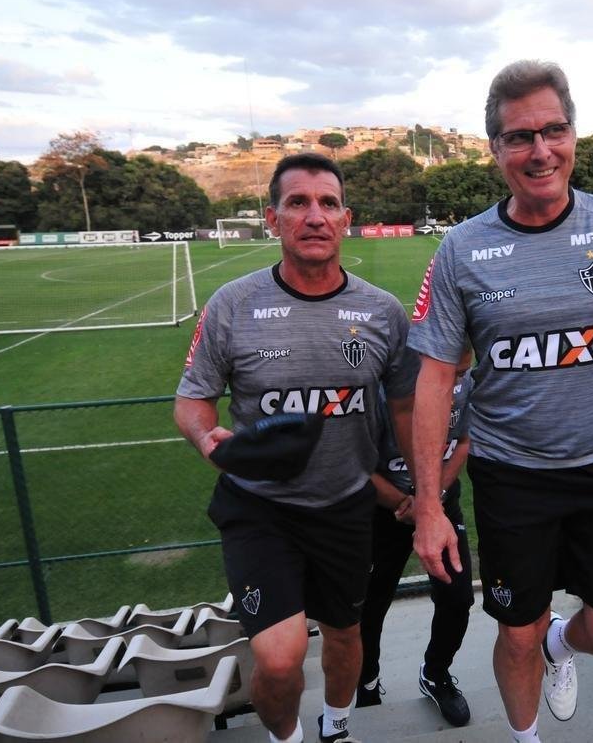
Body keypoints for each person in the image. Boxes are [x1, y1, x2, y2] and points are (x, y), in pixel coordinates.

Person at [408, 59, 593, 743]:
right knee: (517, 632)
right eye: (520, 136)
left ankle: (567, 642)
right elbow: (435, 380)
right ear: (496, 149)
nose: (540, 151)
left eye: (553, 130)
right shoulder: (461, 250)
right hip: (513, 474)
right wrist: (429, 506)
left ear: (574, 134)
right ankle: (526, 737)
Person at [174, 152, 418, 743]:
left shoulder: (382, 311)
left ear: (345, 219)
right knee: (280, 658)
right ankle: (287, 738)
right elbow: (191, 401)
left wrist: (422, 492)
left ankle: (336, 729)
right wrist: (212, 441)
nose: (315, 215)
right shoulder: (231, 305)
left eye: (328, 203)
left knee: (344, 635)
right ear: (272, 218)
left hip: (345, 505)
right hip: (261, 508)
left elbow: (409, 408)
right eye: (298, 203)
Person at [355, 347, 475, 727]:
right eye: (451, 373)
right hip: (383, 509)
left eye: (463, 373)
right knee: (370, 604)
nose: (456, 381)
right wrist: (408, 503)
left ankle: (436, 673)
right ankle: (367, 680)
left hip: (439, 504)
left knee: (457, 596)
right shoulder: (377, 392)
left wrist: (431, 498)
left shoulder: (467, 385)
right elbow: (357, 464)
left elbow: (465, 442)